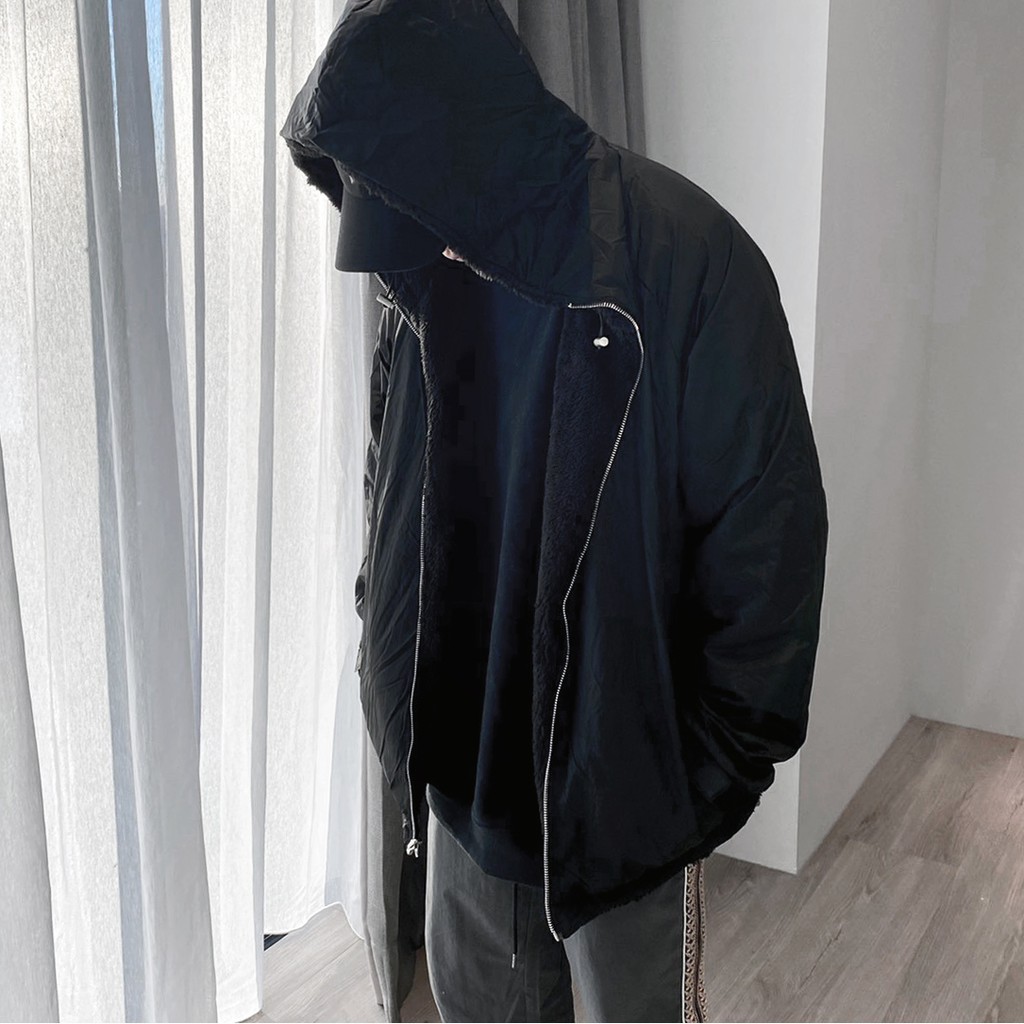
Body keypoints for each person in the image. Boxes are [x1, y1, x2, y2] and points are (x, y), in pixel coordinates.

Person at [281, 1, 829, 1021]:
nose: (395, 243)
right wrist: (382, 655)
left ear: (466, 143)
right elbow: (385, 484)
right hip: (460, 785)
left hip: (621, 801)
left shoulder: (686, 263)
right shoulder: (418, 278)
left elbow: (768, 545)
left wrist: (693, 781)